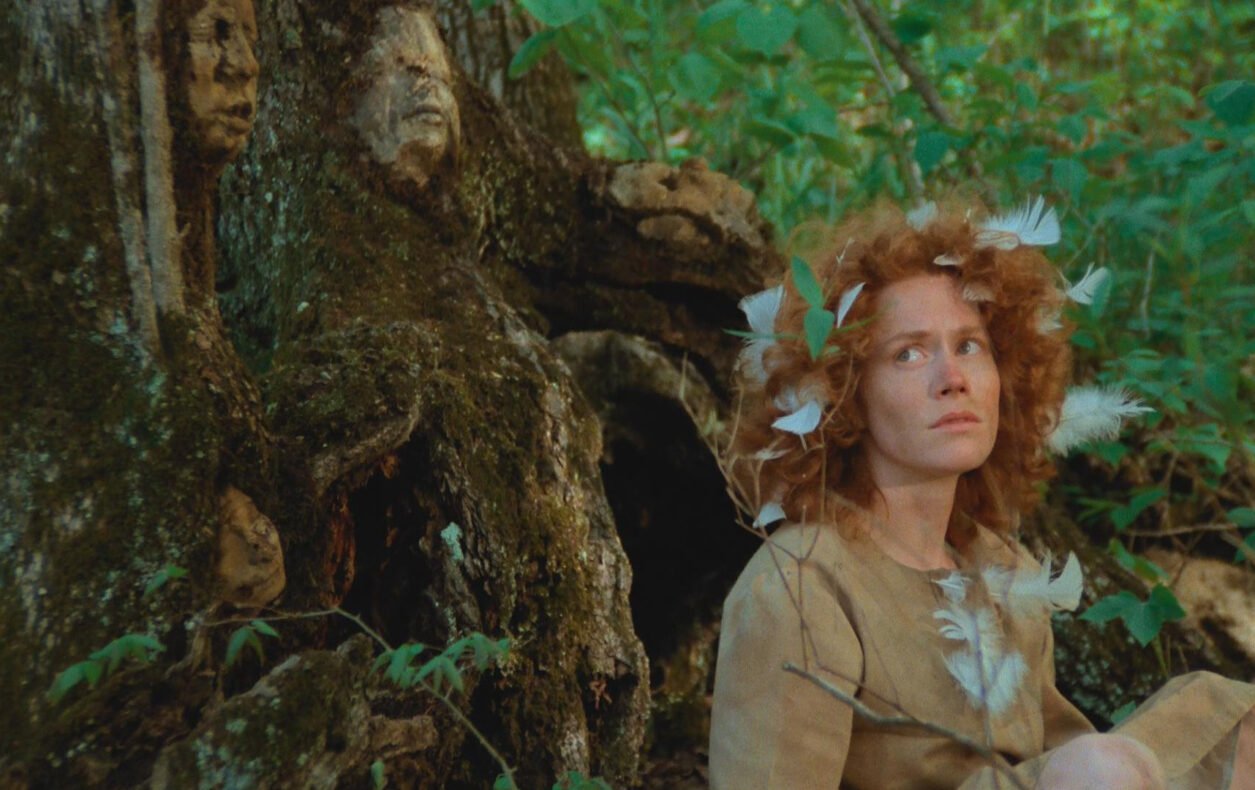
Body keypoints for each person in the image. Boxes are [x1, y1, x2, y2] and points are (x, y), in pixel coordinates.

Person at [708, 199, 1255, 788]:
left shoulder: (999, 565)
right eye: (908, 353)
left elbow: (1059, 759)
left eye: (969, 345)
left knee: (1233, 719)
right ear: (843, 394)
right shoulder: (798, 585)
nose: (953, 378)